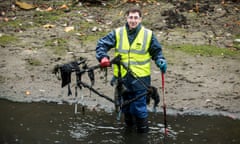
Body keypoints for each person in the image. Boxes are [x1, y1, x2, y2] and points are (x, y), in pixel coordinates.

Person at [95, 8, 167, 133]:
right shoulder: (118, 33)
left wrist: (160, 60)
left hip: (140, 78)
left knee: (138, 108)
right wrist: (103, 57)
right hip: (122, 78)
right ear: (126, 18)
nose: (133, 20)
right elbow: (102, 44)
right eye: (130, 17)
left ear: (140, 19)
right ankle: (129, 132)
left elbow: (157, 52)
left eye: (135, 18)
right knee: (126, 107)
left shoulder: (148, 35)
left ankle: (143, 133)